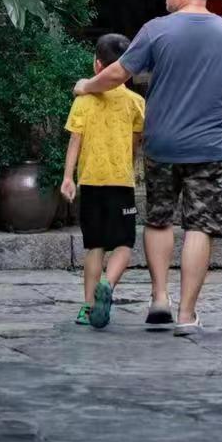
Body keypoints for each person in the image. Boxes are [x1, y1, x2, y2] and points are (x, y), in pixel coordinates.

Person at [72, 0, 222, 334]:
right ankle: (187, 314)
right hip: (210, 145)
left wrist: (87, 86)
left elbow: (119, 73)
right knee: (200, 226)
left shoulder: (156, 30)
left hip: (162, 144)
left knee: (158, 219)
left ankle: (159, 299)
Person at [61, 33, 145, 330]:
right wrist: (129, 168)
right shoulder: (136, 103)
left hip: (91, 182)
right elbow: (135, 146)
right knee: (124, 243)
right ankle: (107, 284)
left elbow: (75, 141)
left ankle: (87, 306)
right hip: (121, 183)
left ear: (97, 65)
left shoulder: (84, 100)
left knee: (94, 245)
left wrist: (68, 177)